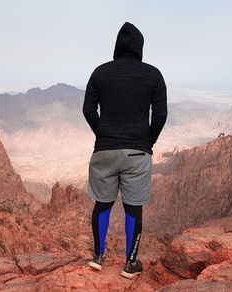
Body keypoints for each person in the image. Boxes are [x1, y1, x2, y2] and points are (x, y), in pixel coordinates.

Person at [83, 22, 167, 279]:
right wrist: (147, 141)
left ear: (117, 47)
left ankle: (98, 256)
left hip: (105, 151)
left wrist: (104, 136)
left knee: (103, 203)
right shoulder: (153, 74)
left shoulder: (100, 72)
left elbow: (88, 110)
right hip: (137, 153)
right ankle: (130, 263)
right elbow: (161, 115)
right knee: (134, 207)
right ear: (140, 48)